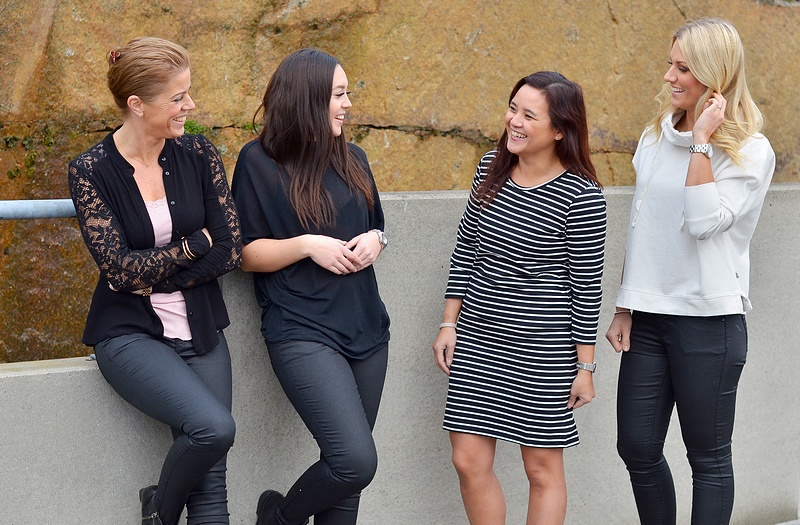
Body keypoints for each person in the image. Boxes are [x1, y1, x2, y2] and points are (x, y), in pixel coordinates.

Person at [605, 18, 775, 525]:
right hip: (648, 318)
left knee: (708, 458)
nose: (668, 77)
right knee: (636, 446)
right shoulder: (654, 136)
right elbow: (643, 226)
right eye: (670, 64)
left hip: (709, 322)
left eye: (682, 68)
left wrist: (702, 140)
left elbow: (702, 223)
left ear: (714, 76)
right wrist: (625, 304)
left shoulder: (750, 150)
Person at [68, 37, 242, 525]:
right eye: (178, 98)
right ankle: (159, 509)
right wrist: (190, 246)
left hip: (202, 329)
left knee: (212, 481)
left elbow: (230, 247)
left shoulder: (198, 153)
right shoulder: (90, 171)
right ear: (137, 104)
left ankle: (157, 513)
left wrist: (158, 274)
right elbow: (118, 270)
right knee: (213, 429)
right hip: (130, 335)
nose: (191, 106)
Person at [432, 71, 607, 525]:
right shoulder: (490, 167)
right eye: (513, 109)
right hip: (478, 337)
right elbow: (466, 249)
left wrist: (585, 369)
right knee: (467, 460)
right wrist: (449, 323)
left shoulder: (581, 195)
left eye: (530, 115)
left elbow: (586, 289)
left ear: (560, 130)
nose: (515, 121)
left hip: (542, 350)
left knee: (541, 468)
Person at [231, 48, 390, 525]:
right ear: (308, 98)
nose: (348, 104)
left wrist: (376, 240)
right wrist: (306, 245)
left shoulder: (354, 157)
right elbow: (244, 254)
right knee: (354, 460)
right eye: (338, 94)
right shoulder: (258, 161)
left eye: (346, 94)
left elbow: (378, 225)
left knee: (347, 479)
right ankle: (276, 519)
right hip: (301, 329)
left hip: (367, 328)